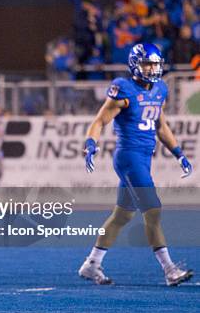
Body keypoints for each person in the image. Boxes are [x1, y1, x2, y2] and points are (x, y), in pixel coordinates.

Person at [80, 43, 193, 286]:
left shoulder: (160, 88)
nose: (152, 68)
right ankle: (169, 269)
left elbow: (160, 126)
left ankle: (91, 264)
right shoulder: (124, 89)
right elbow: (100, 121)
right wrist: (90, 142)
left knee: (121, 216)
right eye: (147, 63)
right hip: (129, 157)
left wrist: (179, 153)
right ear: (135, 64)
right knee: (153, 210)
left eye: (155, 63)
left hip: (143, 158)